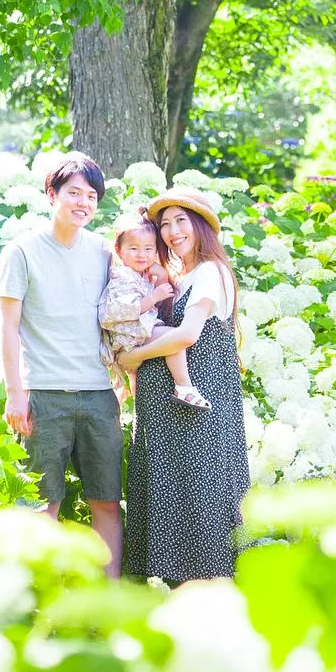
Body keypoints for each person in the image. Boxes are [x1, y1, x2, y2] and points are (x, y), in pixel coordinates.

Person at [0, 153, 124, 575]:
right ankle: (42, 597)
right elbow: (8, 327)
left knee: (107, 502)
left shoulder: (105, 252)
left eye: (91, 196)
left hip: (99, 395)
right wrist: (15, 393)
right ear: (52, 195)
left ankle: (108, 599)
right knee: (40, 506)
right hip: (44, 395)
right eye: (74, 193)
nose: (83, 203)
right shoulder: (21, 252)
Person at [118, 187, 250, 584]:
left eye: (181, 221)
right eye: (165, 224)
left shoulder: (210, 271)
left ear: (201, 226)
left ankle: (209, 594)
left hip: (196, 407)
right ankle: (175, 594)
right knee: (176, 494)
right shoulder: (180, 276)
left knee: (201, 495)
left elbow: (188, 334)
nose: (173, 232)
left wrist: (134, 357)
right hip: (167, 411)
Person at [97, 214, 209, 410]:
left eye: (148, 249)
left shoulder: (141, 274)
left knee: (139, 379)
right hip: (129, 333)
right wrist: (153, 297)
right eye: (134, 249)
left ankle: (142, 405)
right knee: (173, 339)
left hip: (138, 331)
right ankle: (184, 387)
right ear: (119, 250)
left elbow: (161, 302)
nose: (142, 255)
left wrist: (162, 276)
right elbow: (121, 310)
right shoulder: (122, 275)